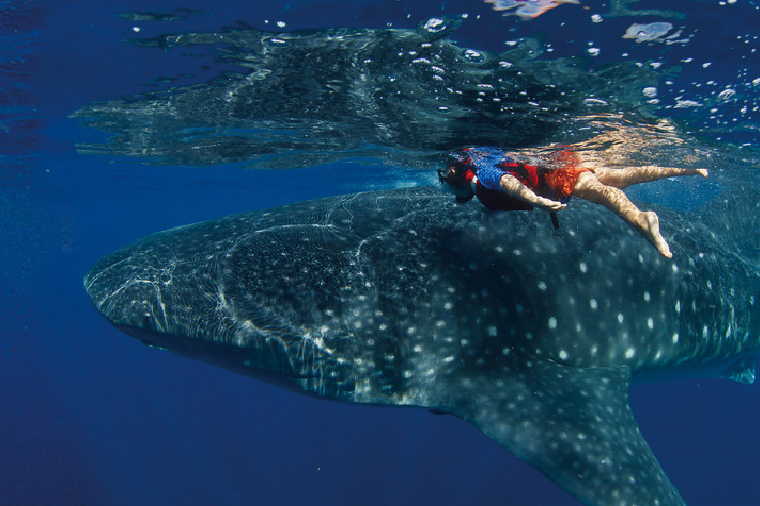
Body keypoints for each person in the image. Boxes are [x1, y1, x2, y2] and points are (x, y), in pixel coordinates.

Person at [438, 147, 708, 258]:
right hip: (569, 165)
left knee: (609, 197)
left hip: (559, 180)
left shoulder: (483, 176)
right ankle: (686, 170)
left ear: (456, 180)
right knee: (625, 177)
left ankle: (644, 223)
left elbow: (509, 184)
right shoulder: (483, 164)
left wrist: (538, 201)